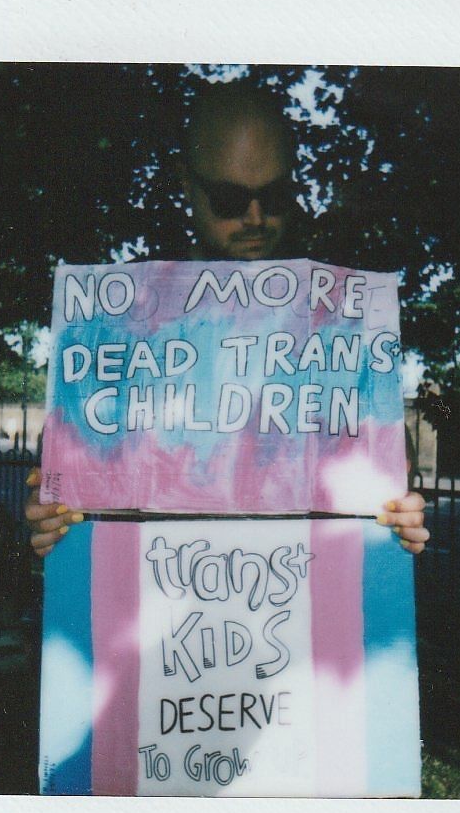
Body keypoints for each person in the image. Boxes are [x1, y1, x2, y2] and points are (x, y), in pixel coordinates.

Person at [26, 80, 429, 555]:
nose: (256, 218)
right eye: (230, 200)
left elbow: (379, 492)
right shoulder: (119, 321)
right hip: (160, 607)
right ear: (186, 185)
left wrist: (400, 525)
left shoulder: (340, 322)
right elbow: (73, 483)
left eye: (276, 195)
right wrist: (52, 519)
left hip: (291, 605)